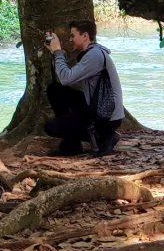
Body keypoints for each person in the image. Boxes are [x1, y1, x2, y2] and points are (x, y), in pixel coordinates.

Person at [44, 19, 124, 157]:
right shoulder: (93, 52)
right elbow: (65, 80)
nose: (70, 40)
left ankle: (104, 136)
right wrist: (55, 53)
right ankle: (72, 145)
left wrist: (58, 51)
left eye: (73, 36)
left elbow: (66, 78)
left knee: (50, 127)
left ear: (85, 36)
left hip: (106, 116)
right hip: (99, 106)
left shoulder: (94, 55)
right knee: (56, 91)